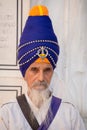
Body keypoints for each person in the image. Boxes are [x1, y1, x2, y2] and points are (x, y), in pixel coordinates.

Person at [0, 5, 86, 130]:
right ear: (24, 73)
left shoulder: (70, 114)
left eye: (47, 70)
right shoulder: (8, 114)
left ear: (52, 72)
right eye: (34, 69)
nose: (41, 78)